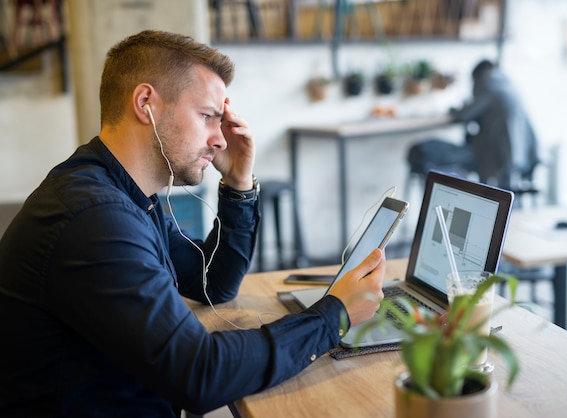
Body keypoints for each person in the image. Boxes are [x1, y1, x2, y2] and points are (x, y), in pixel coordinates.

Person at [0, 30, 386, 417]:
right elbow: (200, 375)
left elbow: (214, 282)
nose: (221, 139)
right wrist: (333, 316)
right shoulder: (93, 217)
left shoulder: (130, 197)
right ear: (145, 103)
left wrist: (237, 182)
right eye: (207, 117)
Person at [449, 59, 539, 189]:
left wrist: (454, 110)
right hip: (519, 148)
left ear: (477, 76)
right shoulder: (507, 82)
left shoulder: (489, 85)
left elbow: (465, 115)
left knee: (471, 150)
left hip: (501, 151)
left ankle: (477, 196)